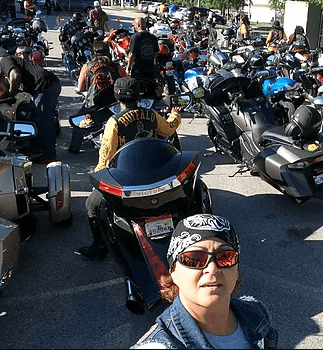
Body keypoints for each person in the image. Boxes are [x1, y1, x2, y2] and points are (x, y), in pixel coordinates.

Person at [132, 214, 279, 349]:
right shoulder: (160, 344)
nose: (213, 268)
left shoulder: (256, 313)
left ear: (236, 271)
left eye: (225, 257)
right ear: (173, 273)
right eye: (195, 259)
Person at [77, 77, 182, 260]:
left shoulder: (114, 121)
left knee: (91, 206)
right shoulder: (151, 115)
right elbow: (169, 130)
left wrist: (98, 176)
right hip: (155, 173)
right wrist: (175, 115)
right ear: (138, 96)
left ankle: (100, 246)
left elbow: (107, 153)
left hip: (129, 178)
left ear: (117, 97)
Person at [0, 55, 61, 163]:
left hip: (45, 86)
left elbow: (15, 75)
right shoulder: (15, 62)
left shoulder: (4, 60)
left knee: (44, 120)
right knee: (34, 116)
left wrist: (10, 94)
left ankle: (49, 155)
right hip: (46, 85)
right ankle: (37, 146)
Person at [68, 41, 128, 154]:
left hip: (93, 105)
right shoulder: (117, 66)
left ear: (93, 52)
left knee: (78, 123)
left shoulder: (87, 66)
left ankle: (74, 148)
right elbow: (126, 81)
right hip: (113, 105)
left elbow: (80, 88)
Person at [127, 17, 159, 91]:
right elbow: (156, 52)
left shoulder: (135, 37)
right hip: (150, 68)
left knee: (137, 91)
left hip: (138, 70)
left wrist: (128, 67)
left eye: (134, 25)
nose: (133, 27)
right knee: (150, 90)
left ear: (138, 25)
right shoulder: (153, 37)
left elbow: (132, 54)